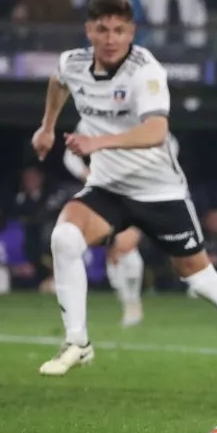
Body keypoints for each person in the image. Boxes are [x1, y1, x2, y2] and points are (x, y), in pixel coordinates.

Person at [30, 0, 217, 393]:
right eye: (103, 29)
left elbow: (156, 131)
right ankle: (77, 341)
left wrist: (98, 144)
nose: (111, 37)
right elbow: (58, 81)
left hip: (158, 191)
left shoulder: (144, 71)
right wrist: (47, 127)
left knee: (200, 278)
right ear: (89, 32)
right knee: (64, 237)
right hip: (108, 188)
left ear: (132, 32)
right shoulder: (74, 62)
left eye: (120, 30)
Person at [63, 118, 163, 328]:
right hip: (105, 193)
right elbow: (70, 158)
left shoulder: (145, 113)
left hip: (139, 190)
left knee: (126, 246)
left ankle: (132, 303)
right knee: (116, 252)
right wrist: (89, 176)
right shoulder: (92, 117)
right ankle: (128, 302)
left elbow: (169, 144)